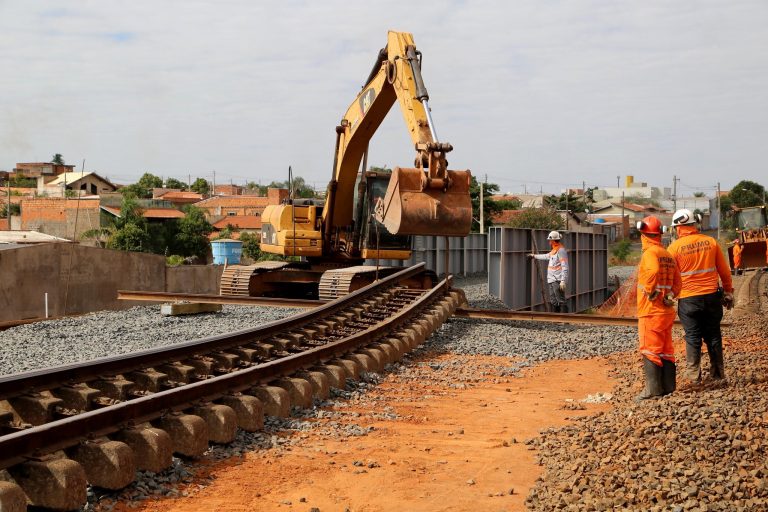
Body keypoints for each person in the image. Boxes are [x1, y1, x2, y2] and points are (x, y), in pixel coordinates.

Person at [667, 208, 734, 383]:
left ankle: (693, 376)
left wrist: (670, 295)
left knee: (692, 336)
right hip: (712, 297)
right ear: (693, 224)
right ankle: (718, 375)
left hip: (688, 300)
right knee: (713, 334)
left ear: (678, 228)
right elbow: (725, 271)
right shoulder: (710, 242)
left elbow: (670, 277)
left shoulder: (673, 248)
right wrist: (728, 291)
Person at [635, 216, 681, 400]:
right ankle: (668, 387)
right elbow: (678, 282)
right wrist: (671, 295)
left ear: (644, 235)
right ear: (659, 234)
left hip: (651, 310)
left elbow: (653, 271)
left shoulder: (650, 253)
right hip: (666, 311)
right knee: (666, 350)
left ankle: (652, 390)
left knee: (650, 349)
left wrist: (648, 289)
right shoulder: (667, 254)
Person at [528, 231, 569, 312]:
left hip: (557, 280)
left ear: (553, 240)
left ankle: (565, 320)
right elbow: (547, 256)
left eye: (550, 240)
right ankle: (556, 319)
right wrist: (534, 256)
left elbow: (565, 266)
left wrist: (563, 280)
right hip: (551, 279)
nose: (549, 242)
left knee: (560, 300)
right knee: (553, 300)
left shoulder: (560, 251)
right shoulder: (555, 250)